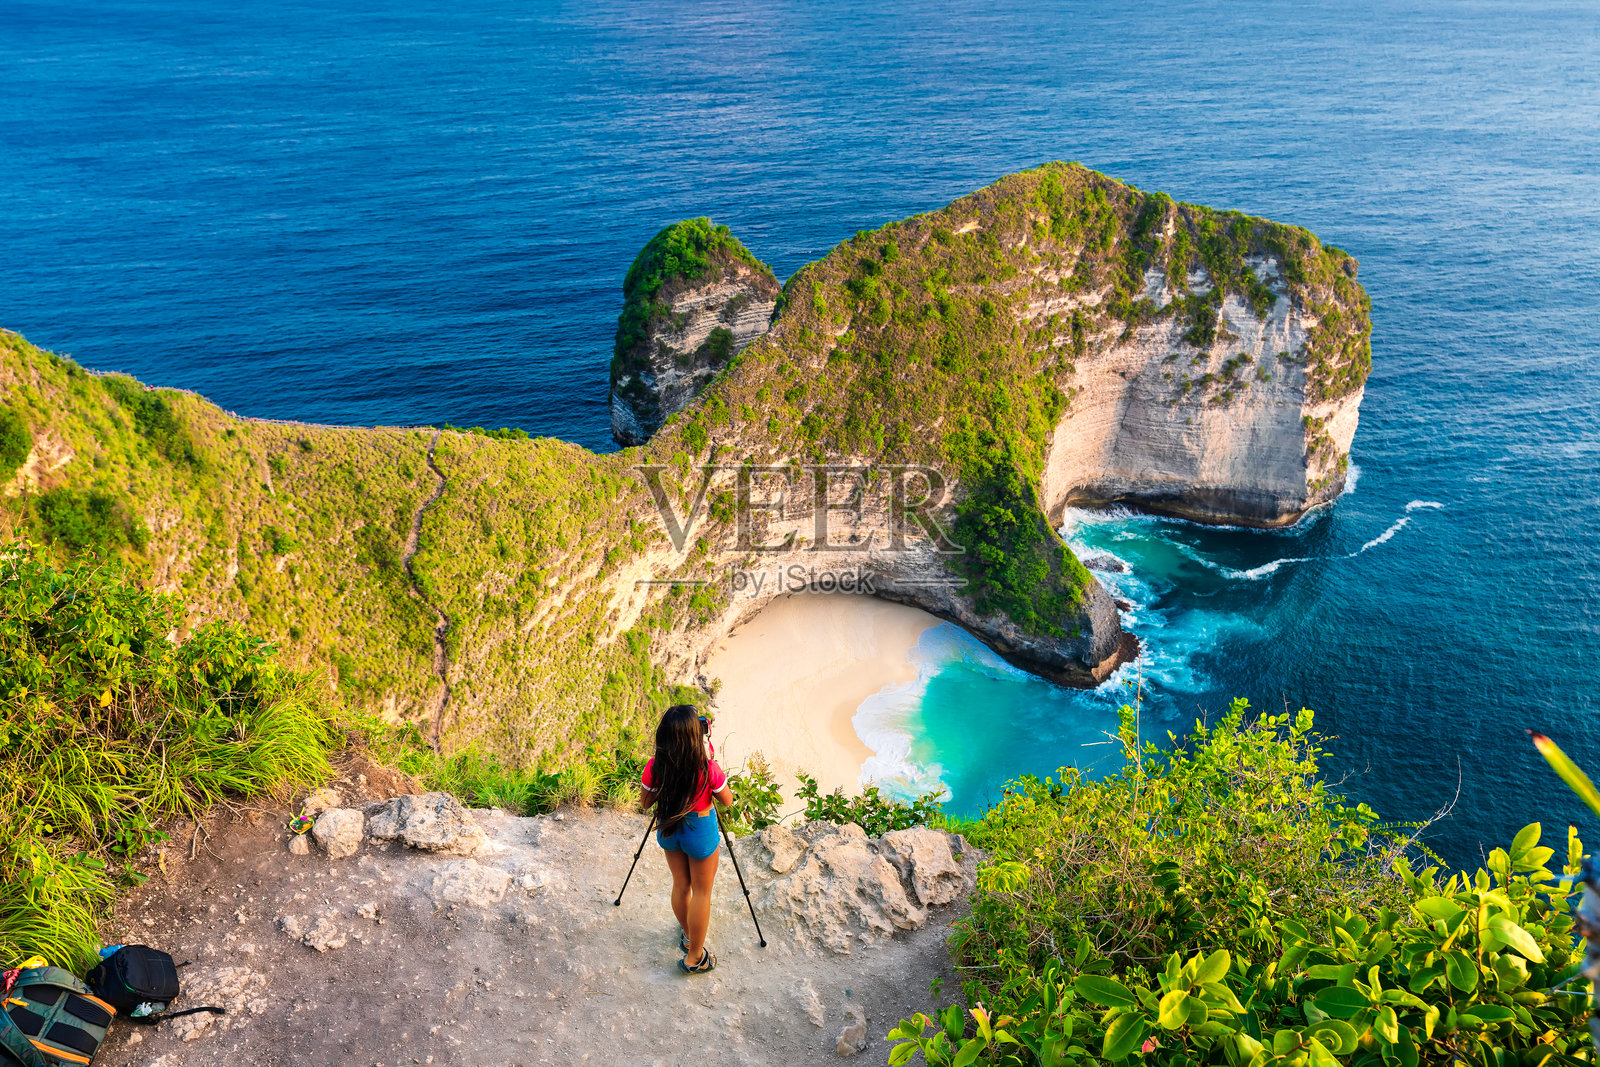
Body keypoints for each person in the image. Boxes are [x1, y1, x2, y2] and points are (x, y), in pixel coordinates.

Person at [639, 703, 733, 974]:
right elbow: (726, 800)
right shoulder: (707, 768)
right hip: (700, 829)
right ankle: (695, 957)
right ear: (697, 736)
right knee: (702, 892)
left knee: (681, 884)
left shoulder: (655, 767)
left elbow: (646, 803)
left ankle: (687, 932)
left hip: (669, 826)